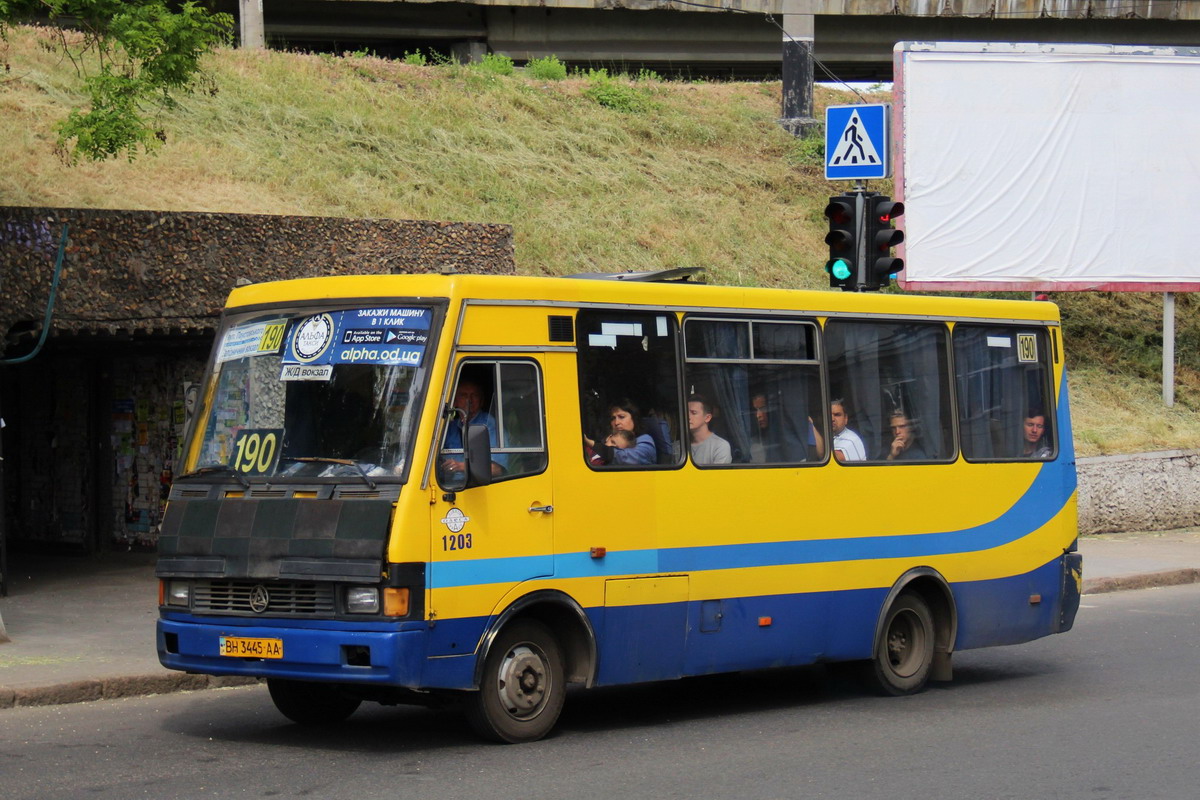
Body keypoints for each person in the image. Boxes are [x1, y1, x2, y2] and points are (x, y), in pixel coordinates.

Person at [441, 379, 506, 477]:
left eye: (474, 395)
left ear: (482, 401)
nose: (469, 400)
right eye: (463, 395)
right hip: (447, 486)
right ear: (455, 401)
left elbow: (497, 469)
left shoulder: (489, 424)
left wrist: (460, 466)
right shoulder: (450, 427)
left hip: (477, 487)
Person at [583, 398, 656, 466]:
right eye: (613, 418)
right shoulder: (606, 439)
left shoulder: (644, 440)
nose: (616, 422)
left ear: (634, 418)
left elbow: (629, 458)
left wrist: (592, 444)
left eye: (621, 417)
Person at [687, 395, 731, 465]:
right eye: (686, 413)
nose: (688, 416)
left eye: (693, 413)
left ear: (707, 418)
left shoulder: (720, 446)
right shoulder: (678, 447)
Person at [830, 398, 866, 462]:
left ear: (845, 418)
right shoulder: (829, 437)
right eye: (828, 415)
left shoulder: (851, 439)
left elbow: (832, 459)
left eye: (837, 415)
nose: (832, 419)